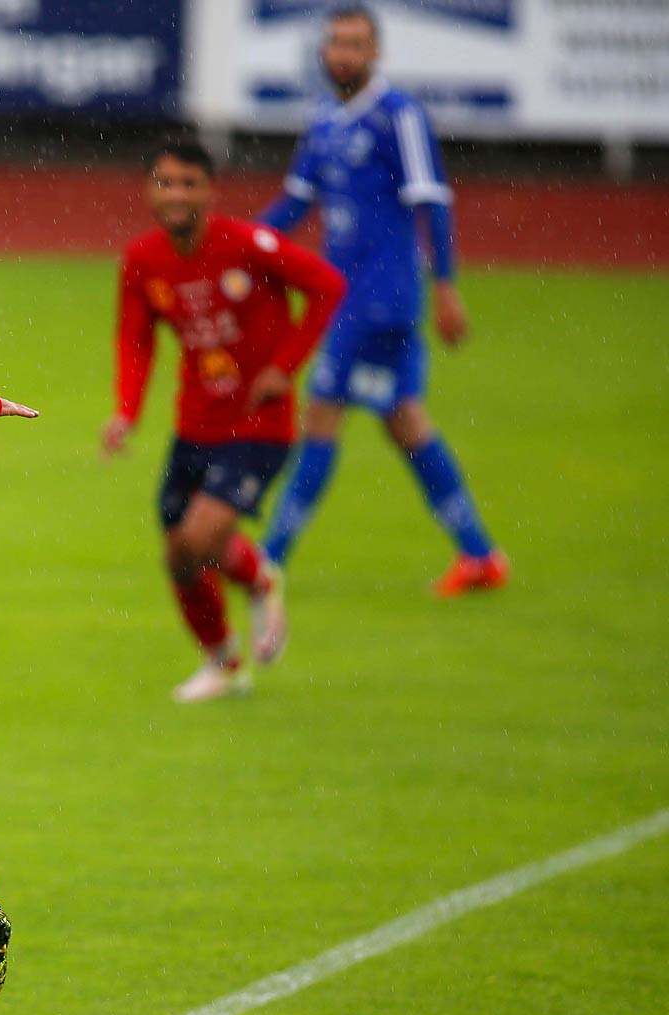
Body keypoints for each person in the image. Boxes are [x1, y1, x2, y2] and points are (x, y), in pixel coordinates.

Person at [257, 3, 506, 596]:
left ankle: (267, 561)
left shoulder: (399, 117)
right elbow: (296, 202)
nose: (343, 53)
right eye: (335, 43)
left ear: (376, 53)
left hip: (382, 299)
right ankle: (479, 554)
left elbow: (431, 200)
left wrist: (445, 288)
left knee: (321, 414)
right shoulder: (323, 119)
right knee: (405, 422)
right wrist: (242, 246)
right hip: (344, 297)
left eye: (355, 44)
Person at [105, 143, 346, 702]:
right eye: (165, 183)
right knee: (180, 557)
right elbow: (135, 339)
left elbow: (327, 286)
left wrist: (284, 369)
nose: (176, 195)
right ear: (149, 191)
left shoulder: (248, 245)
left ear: (211, 191)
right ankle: (225, 663)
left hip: (257, 426)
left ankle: (260, 577)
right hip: (193, 427)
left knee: (200, 537)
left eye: (188, 184)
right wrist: (125, 412)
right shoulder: (143, 259)